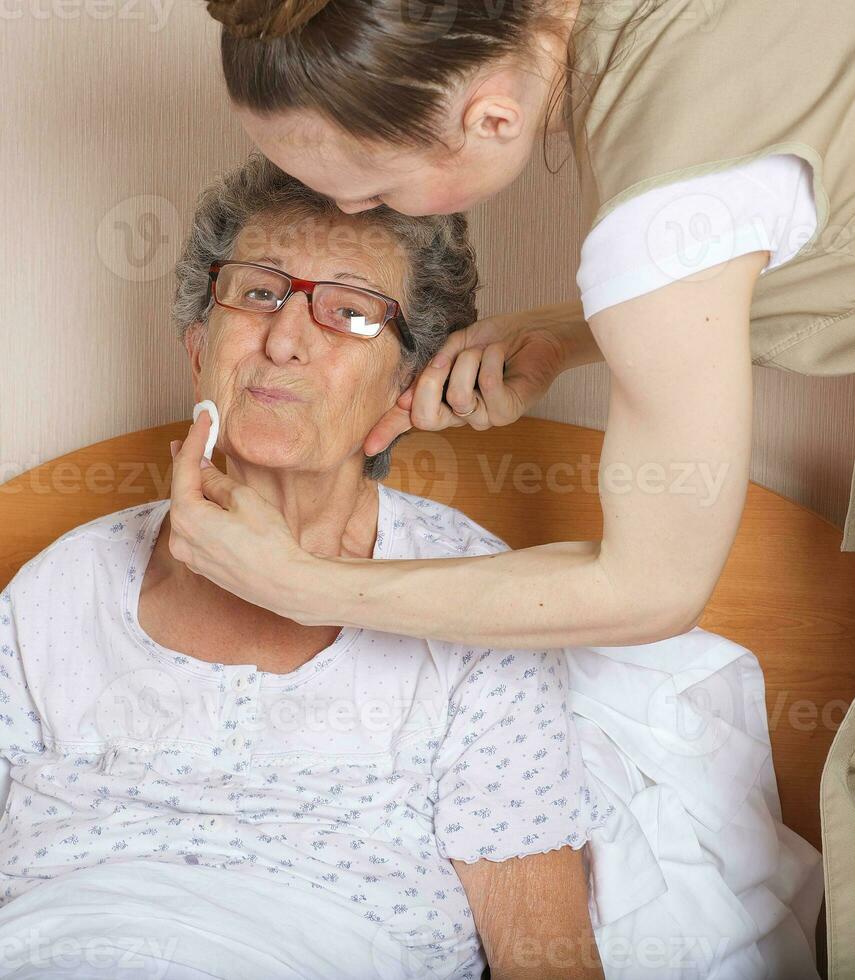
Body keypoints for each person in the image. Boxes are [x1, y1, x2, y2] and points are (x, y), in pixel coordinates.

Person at [0, 155, 607, 979]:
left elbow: (548, 962)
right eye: (257, 294)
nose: (284, 339)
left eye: (351, 313)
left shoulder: (476, 600)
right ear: (197, 350)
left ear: (406, 383)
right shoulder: (62, 588)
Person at [165, 0, 855, 651]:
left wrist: (300, 586)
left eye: (376, 189)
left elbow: (654, 593)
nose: (350, 213)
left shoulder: (660, 219)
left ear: (492, 119)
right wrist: (574, 331)